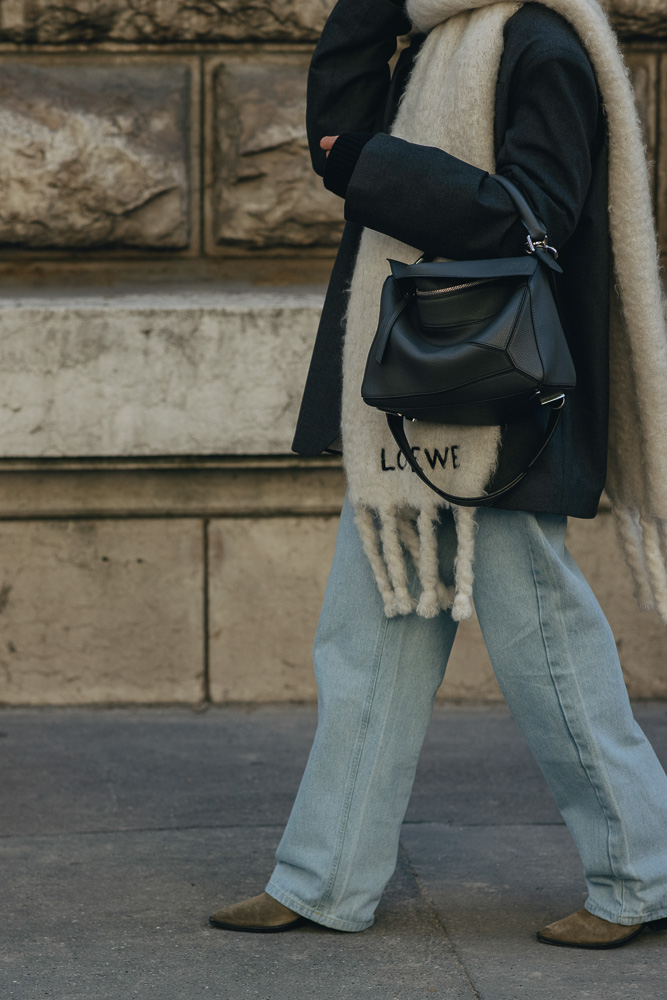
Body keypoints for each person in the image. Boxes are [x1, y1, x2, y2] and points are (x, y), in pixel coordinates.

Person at [209, 0, 667, 948]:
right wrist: (366, 18)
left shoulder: (541, 48)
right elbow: (336, 141)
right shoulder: (431, 47)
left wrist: (374, 167)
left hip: (494, 399)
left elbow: (532, 212)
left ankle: (643, 873)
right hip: (414, 397)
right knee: (366, 638)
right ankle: (324, 876)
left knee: (548, 648)